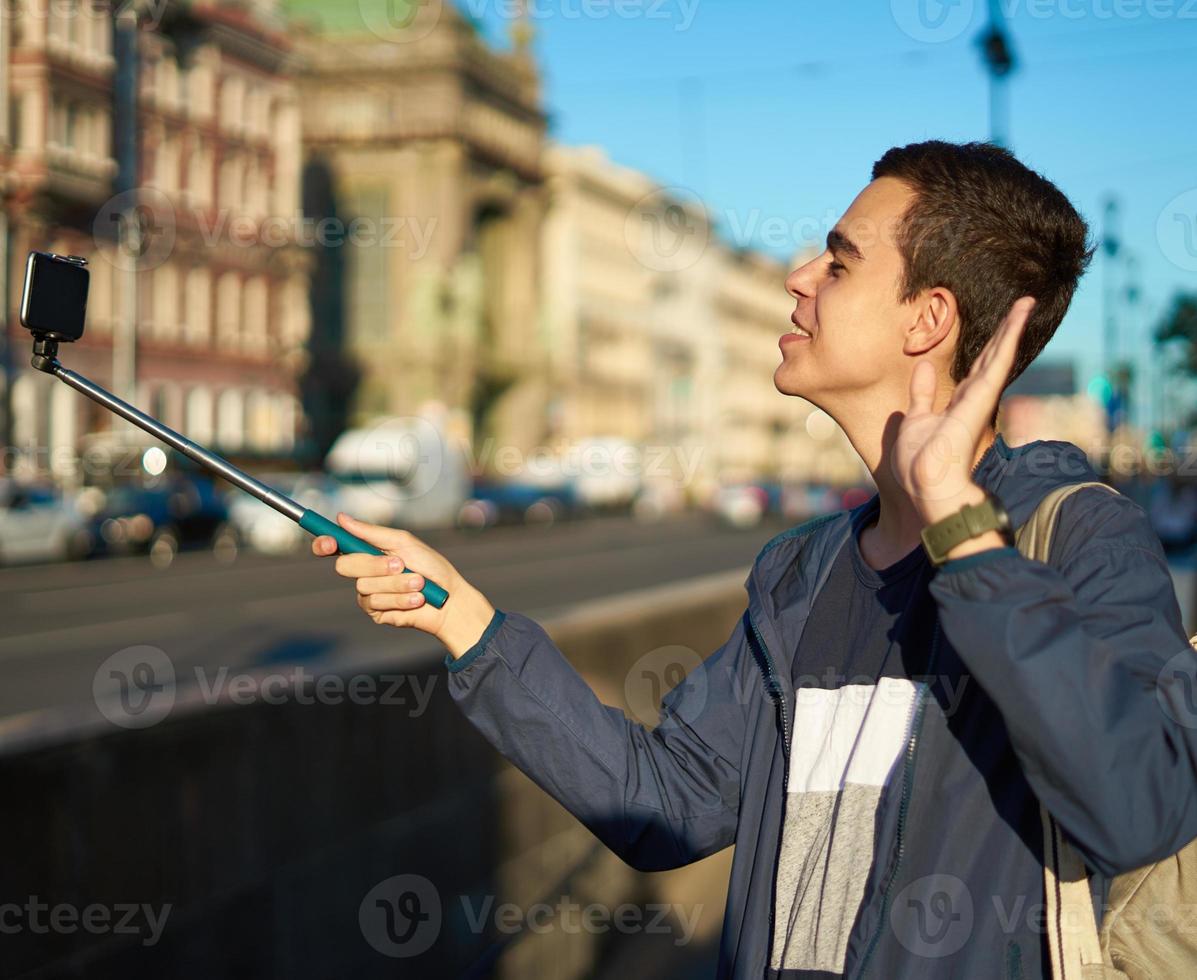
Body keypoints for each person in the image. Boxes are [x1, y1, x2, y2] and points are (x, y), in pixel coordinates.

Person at [311, 141, 1195, 978]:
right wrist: (465, 620)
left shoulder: (1074, 538)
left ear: (927, 320)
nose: (797, 277)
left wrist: (965, 539)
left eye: (840, 264)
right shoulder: (801, 573)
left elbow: (1139, 808)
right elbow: (673, 803)